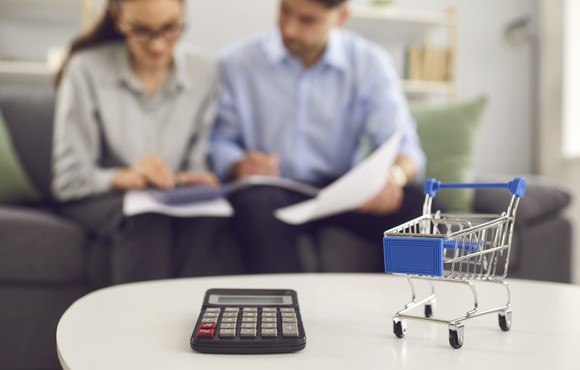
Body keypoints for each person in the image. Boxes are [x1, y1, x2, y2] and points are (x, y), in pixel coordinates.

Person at [211, 0, 438, 274]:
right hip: (272, 191)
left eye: (307, 20)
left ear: (340, 16)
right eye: (285, 11)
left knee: (421, 204)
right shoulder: (237, 61)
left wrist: (394, 177)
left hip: (344, 191)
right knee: (254, 204)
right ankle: (285, 310)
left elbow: (406, 147)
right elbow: (220, 138)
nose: (289, 29)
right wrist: (238, 164)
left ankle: (399, 305)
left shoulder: (369, 63)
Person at [52, 0, 223, 284]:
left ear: (184, 12)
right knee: (146, 219)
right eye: (141, 31)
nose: (157, 45)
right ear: (118, 19)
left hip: (170, 196)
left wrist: (196, 177)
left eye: (170, 28)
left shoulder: (205, 71)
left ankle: (190, 325)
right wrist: (123, 177)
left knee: (203, 219)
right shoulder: (84, 70)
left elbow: (197, 159)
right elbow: (68, 180)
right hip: (103, 198)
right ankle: (137, 326)